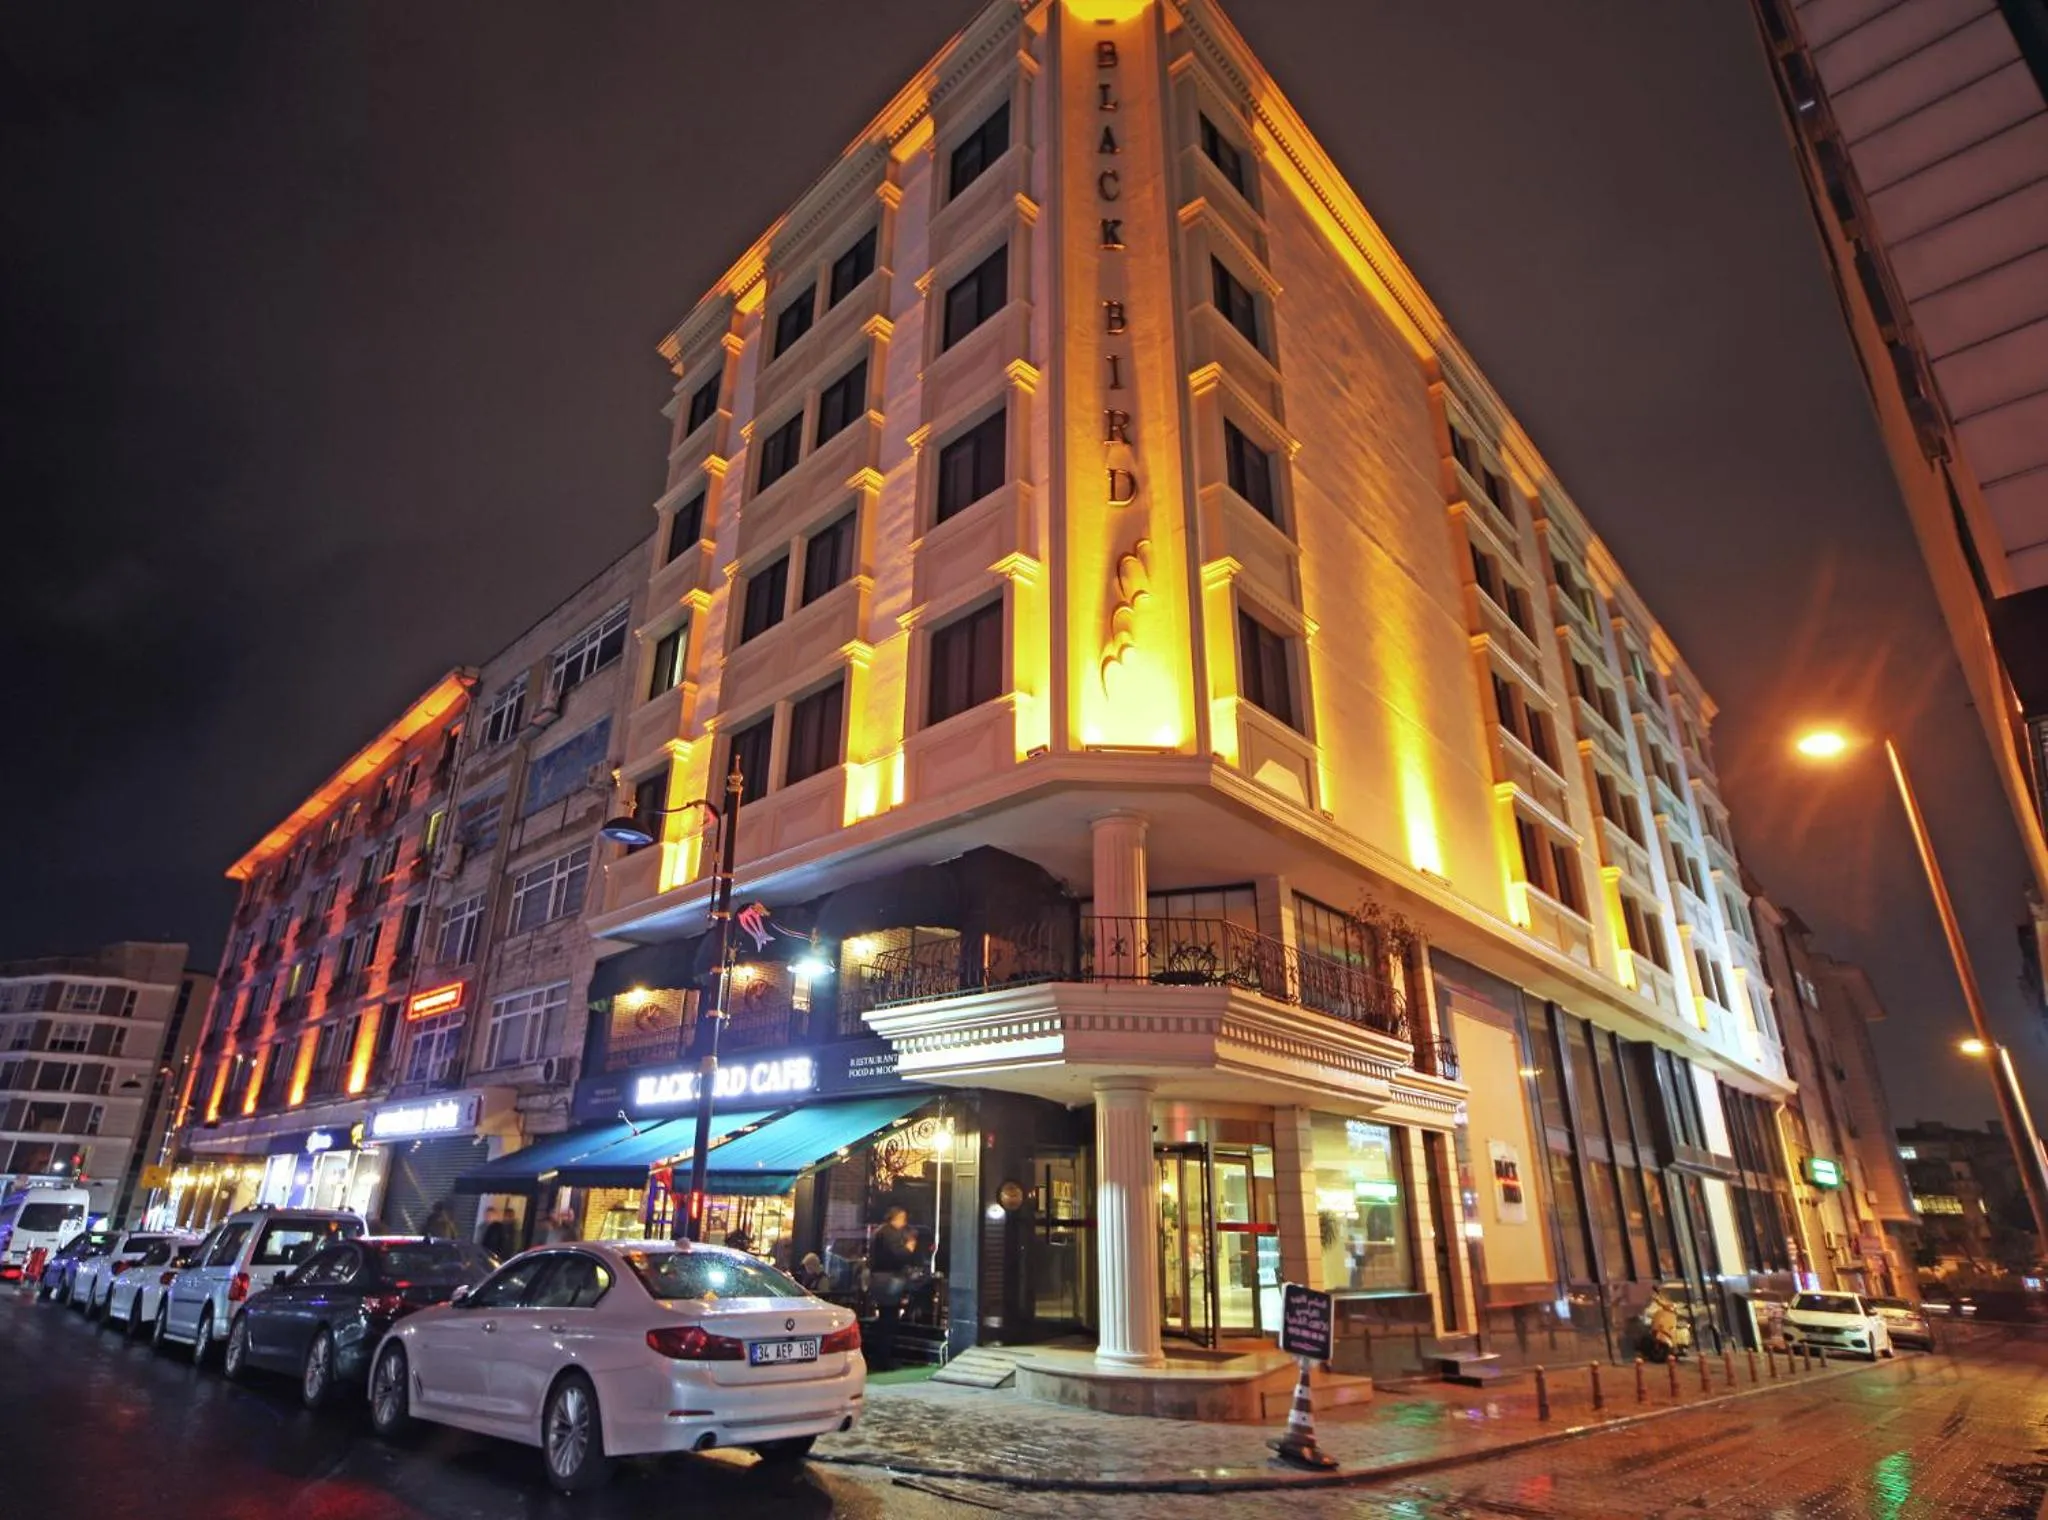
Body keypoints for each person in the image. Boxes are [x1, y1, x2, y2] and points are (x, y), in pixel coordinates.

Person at [868, 1207, 917, 1370]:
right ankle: (884, 1358)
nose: (905, 1222)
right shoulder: (890, 1233)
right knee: (889, 1318)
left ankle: (879, 1356)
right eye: (903, 1218)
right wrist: (909, 1247)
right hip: (889, 1279)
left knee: (884, 1316)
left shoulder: (879, 1232)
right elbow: (898, 1254)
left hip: (878, 1279)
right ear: (895, 1218)